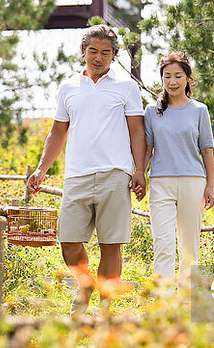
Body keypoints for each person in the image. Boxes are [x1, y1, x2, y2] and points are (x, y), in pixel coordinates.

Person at [27, 24, 146, 314]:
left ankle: (105, 309)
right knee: (68, 241)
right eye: (93, 51)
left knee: (111, 244)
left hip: (115, 175)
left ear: (114, 55)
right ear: (83, 51)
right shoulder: (68, 88)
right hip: (76, 175)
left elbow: (137, 133)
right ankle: (85, 285)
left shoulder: (127, 87)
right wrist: (42, 169)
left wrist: (139, 170)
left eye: (106, 53)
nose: (98, 58)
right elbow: (57, 133)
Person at [143, 51, 214, 291]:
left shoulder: (199, 110)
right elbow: (147, 148)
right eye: (167, 76)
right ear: (161, 79)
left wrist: (210, 186)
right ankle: (164, 302)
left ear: (187, 78)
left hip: (192, 182)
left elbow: (207, 151)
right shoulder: (152, 111)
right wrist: (139, 175)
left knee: (189, 245)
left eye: (177, 76)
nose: (172, 82)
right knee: (162, 243)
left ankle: (187, 298)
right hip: (160, 183)